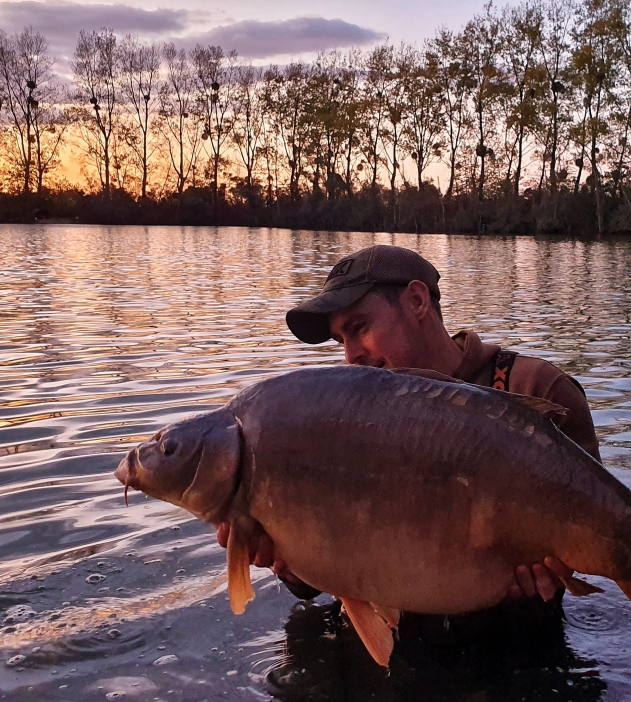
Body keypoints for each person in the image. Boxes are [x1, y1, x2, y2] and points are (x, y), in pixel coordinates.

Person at [217, 244, 600, 616]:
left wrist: (558, 569)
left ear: (417, 301)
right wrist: (286, 560)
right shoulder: (345, 425)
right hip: (388, 641)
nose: (351, 355)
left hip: (519, 650)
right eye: (341, 340)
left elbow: (600, 537)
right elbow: (324, 577)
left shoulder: (535, 389)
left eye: (360, 327)